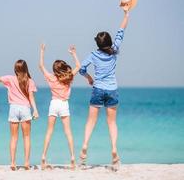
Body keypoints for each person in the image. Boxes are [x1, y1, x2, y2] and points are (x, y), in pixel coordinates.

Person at [78, 9, 130, 170]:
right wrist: (126, 14)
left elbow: (81, 68)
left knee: (91, 121)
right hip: (112, 89)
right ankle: (114, 149)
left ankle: (84, 147)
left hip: (98, 89)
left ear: (98, 44)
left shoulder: (94, 54)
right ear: (108, 42)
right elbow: (121, 32)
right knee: (112, 123)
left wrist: (89, 78)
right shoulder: (114, 51)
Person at [39, 43, 81, 170]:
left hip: (54, 104)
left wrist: (42, 51)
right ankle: (73, 157)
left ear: (54, 70)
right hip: (64, 104)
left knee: (49, 131)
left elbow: (41, 66)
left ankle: (43, 156)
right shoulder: (69, 77)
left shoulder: (51, 78)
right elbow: (79, 66)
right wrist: (74, 54)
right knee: (68, 132)